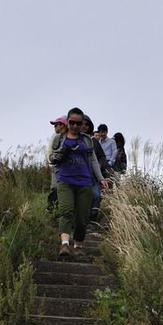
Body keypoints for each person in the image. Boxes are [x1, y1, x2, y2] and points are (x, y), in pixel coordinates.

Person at [49, 107, 107, 258]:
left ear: (82, 124)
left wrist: (101, 178)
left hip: (84, 181)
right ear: (67, 122)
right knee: (66, 211)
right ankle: (64, 244)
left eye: (78, 123)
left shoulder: (87, 140)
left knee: (82, 217)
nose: (75, 126)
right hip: (65, 180)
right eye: (72, 122)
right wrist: (59, 155)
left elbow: (93, 160)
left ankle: (78, 245)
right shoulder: (59, 139)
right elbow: (52, 157)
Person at [46, 116, 67, 211]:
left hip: (67, 167)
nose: (54, 127)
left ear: (62, 125)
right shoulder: (55, 137)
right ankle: (51, 208)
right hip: (56, 166)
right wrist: (51, 160)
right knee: (54, 187)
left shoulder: (71, 137)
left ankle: (61, 208)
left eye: (56, 125)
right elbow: (50, 151)